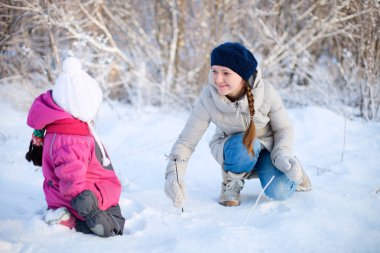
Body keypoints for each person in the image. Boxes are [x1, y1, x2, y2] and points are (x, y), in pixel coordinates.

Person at [164, 42, 311, 208]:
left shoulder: (267, 92)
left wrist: (282, 155)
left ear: (242, 75)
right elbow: (186, 141)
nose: (218, 79)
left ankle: (294, 171)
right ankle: (231, 184)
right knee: (245, 143)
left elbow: (283, 129)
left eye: (226, 73)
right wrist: (173, 175)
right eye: (214, 72)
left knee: (279, 192)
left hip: (269, 151)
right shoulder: (208, 98)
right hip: (234, 149)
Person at [25, 57, 125, 237]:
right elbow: (73, 182)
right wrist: (93, 215)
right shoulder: (71, 139)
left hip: (63, 195)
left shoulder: (62, 126)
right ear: (81, 107)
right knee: (115, 223)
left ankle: (69, 215)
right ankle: (71, 222)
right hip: (79, 201)